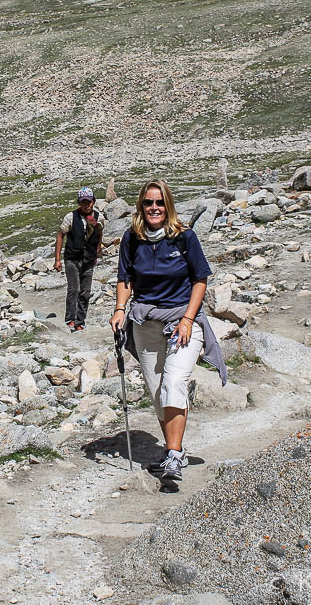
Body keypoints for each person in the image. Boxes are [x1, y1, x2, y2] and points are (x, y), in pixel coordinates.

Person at [109, 179, 226, 483]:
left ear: (168, 205)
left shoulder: (184, 237)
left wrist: (189, 319)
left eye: (159, 202)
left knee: (174, 382)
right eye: (149, 203)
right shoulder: (132, 238)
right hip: (145, 321)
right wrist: (120, 310)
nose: (154, 208)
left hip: (182, 321)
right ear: (141, 206)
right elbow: (125, 279)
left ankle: (173, 455)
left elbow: (200, 279)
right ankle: (175, 450)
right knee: (158, 390)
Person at [54, 187, 106, 332]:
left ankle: (80, 321)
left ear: (93, 202)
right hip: (72, 258)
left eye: (89, 202)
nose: (86, 205)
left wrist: (97, 252)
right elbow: (60, 236)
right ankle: (70, 319)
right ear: (79, 202)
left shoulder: (98, 217)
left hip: (89, 259)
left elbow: (99, 234)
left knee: (85, 291)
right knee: (74, 289)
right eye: (83, 202)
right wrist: (57, 259)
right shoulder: (71, 217)